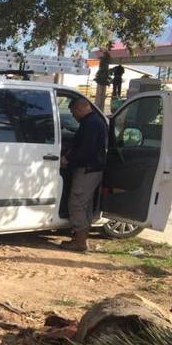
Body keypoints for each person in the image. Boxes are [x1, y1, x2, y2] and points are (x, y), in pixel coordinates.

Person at [61, 98, 108, 252]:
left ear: (79, 109)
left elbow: (86, 150)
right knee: (84, 204)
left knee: (77, 203)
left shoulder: (91, 124)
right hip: (92, 168)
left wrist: (68, 159)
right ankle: (81, 240)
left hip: (87, 169)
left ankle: (80, 243)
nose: (73, 116)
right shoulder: (93, 121)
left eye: (73, 112)